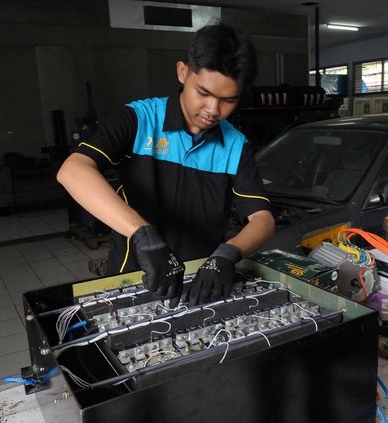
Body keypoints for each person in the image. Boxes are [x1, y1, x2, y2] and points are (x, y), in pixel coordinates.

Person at [56, 22, 275, 308]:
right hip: (134, 277)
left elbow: (263, 219)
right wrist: (143, 235)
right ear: (183, 72)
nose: (213, 110)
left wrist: (227, 254)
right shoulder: (139, 119)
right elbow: (72, 171)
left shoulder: (236, 145)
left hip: (201, 282)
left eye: (228, 100)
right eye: (204, 93)